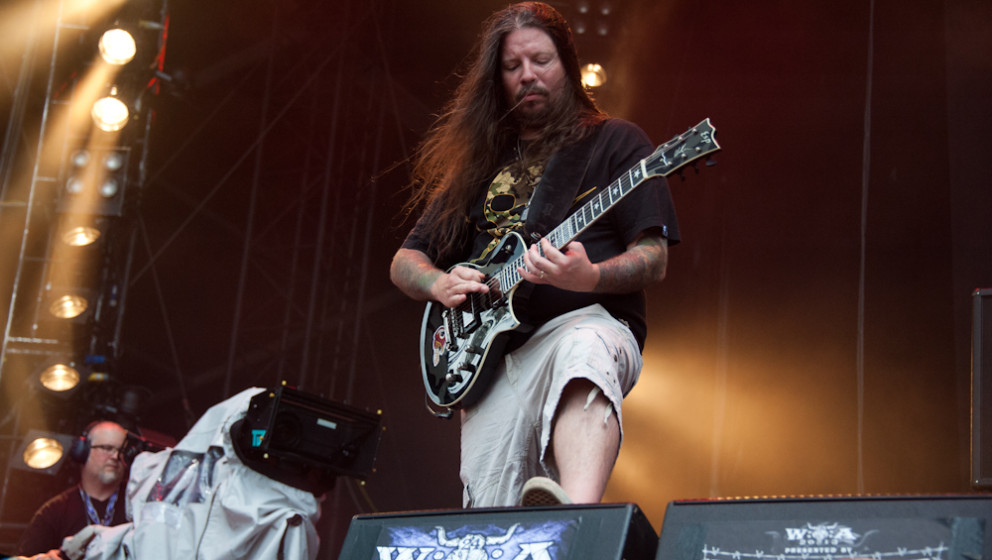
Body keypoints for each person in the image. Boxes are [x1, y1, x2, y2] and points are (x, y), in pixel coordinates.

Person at [390, 1, 680, 508]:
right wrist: (438, 283)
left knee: (584, 351)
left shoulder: (615, 143)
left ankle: (579, 515)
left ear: (567, 64)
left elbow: (653, 257)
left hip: (587, 321)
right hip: (492, 359)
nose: (528, 74)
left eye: (541, 60)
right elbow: (404, 261)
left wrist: (589, 277)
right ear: (497, 79)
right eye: (512, 65)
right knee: (490, 513)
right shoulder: (480, 167)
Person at [16, 421, 130, 559]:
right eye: (107, 448)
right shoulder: (54, 512)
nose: (116, 456)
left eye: (122, 451)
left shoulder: (138, 503)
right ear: (83, 451)